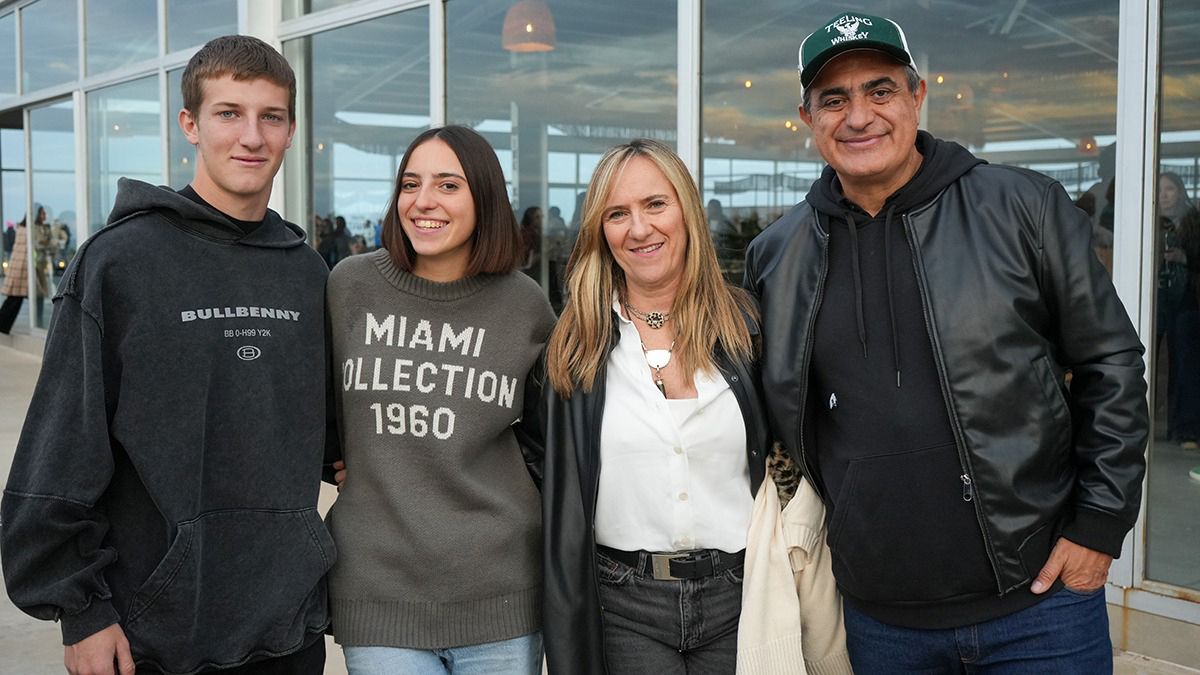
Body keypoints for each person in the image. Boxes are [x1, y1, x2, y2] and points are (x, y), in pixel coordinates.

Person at [744, 11, 1147, 673]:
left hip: (1039, 606)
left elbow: (1111, 365)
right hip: (880, 620)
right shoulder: (777, 256)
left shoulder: (1024, 208)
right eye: (834, 99)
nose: (859, 116)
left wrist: (1098, 526)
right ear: (807, 117)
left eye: (879, 90)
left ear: (916, 95)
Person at [1, 35, 333, 675]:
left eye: (271, 116)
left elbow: (323, 432)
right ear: (191, 124)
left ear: (291, 131)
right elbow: (61, 449)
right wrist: (82, 610)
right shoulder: (120, 263)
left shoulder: (307, 273)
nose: (252, 137)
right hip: (153, 628)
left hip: (287, 624)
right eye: (228, 113)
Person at [540, 139, 847, 675]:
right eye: (618, 213)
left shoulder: (749, 327)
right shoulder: (575, 346)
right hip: (623, 604)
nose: (639, 228)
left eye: (655, 204)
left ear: (686, 210)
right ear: (600, 231)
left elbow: (813, 435)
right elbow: (530, 459)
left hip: (743, 595)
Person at [325, 125, 555, 675]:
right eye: (411, 183)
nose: (423, 201)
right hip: (380, 587)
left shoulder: (524, 304)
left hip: (501, 592)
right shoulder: (348, 286)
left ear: (484, 200)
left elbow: (550, 437)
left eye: (448, 185)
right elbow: (306, 398)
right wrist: (332, 455)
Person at [1157, 171, 1199, 448]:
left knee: (1184, 364)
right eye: (1159, 190)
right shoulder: (1146, 220)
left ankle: (1186, 428)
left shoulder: (1193, 221)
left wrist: (1184, 257)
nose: (1164, 195)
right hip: (1154, 298)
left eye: (1169, 189)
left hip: (1187, 299)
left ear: (1180, 191)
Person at [0, 211, 30, 334]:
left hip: (16, 267)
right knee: (15, 300)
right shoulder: (26, 231)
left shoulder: (19, 230)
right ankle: (3, 326)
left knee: (12, 299)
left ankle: (3, 326)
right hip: (21, 269)